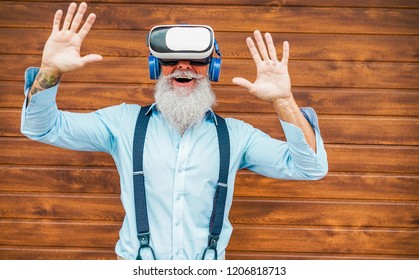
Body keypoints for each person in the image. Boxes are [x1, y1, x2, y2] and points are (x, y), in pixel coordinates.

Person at [21, 2, 328, 260]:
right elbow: (41, 127)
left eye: (196, 59)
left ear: (212, 67)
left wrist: (283, 99)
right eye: (171, 59)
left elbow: (311, 168)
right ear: (156, 66)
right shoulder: (122, 123)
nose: (184, 66)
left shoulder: (237, 136)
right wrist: (51, 70)